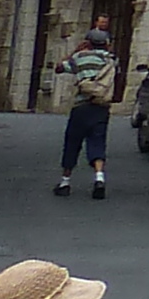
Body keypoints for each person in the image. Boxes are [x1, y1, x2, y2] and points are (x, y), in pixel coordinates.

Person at [51, 24, 116, 201]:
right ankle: (99, 178)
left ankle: (65, 182)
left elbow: (59, 68)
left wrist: (75, 51)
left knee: (72, 142)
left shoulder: (79, 58)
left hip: (81, 107)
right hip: (101, 107)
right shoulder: (110, 59)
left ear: (88, 42)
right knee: (97, 142)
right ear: (106, 43)